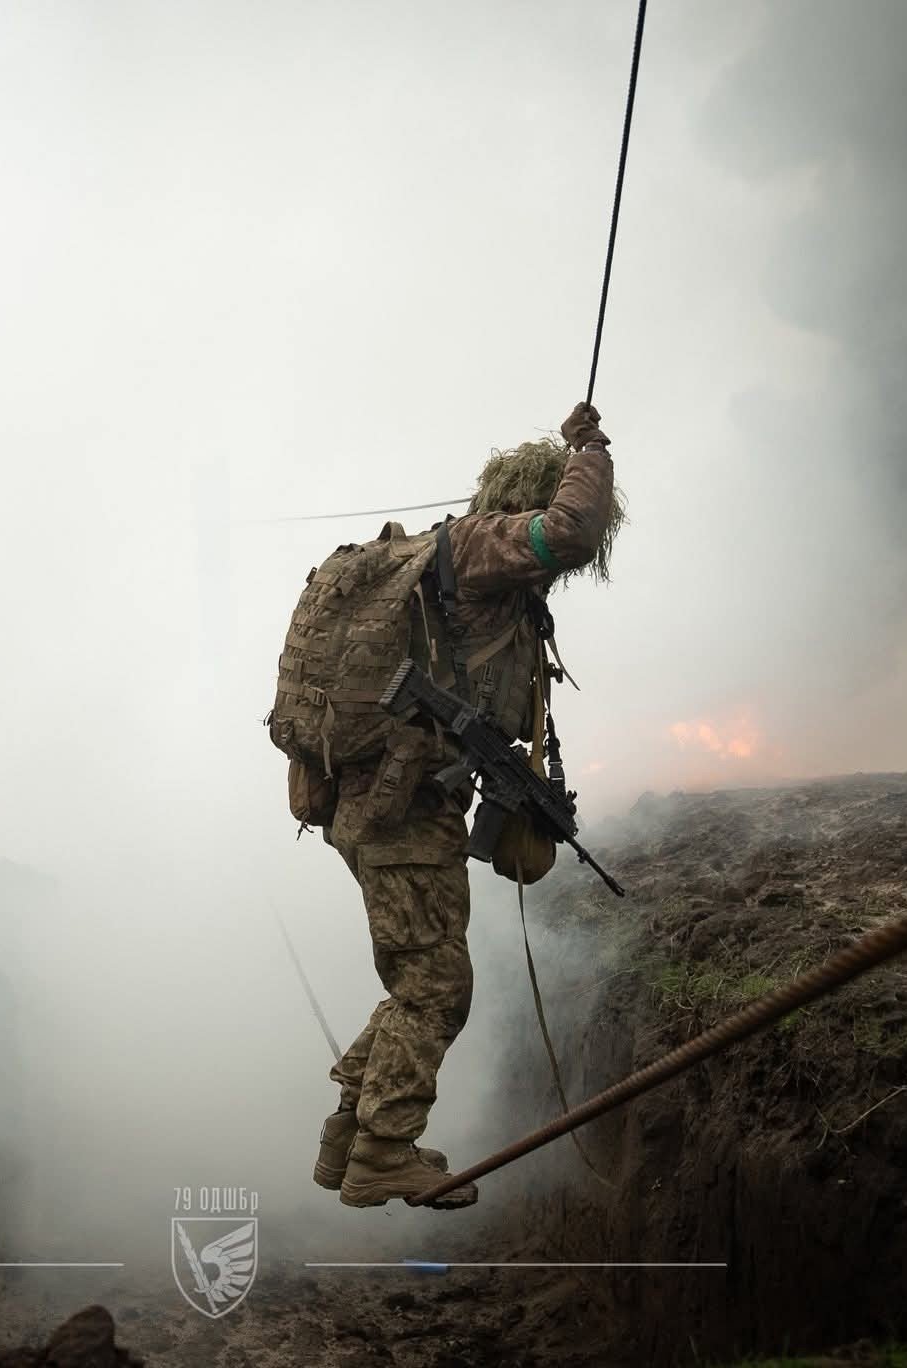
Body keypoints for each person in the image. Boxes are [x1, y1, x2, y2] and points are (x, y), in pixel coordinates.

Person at [306, 401, 618, 1208]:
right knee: (440, 989)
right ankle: (384, 1150)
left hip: (404, 805)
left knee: (419, 979)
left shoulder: (483, 596)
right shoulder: (482, 547)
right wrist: (588, 448)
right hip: (395, 811)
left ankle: (353, 1131)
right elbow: (573, 531)